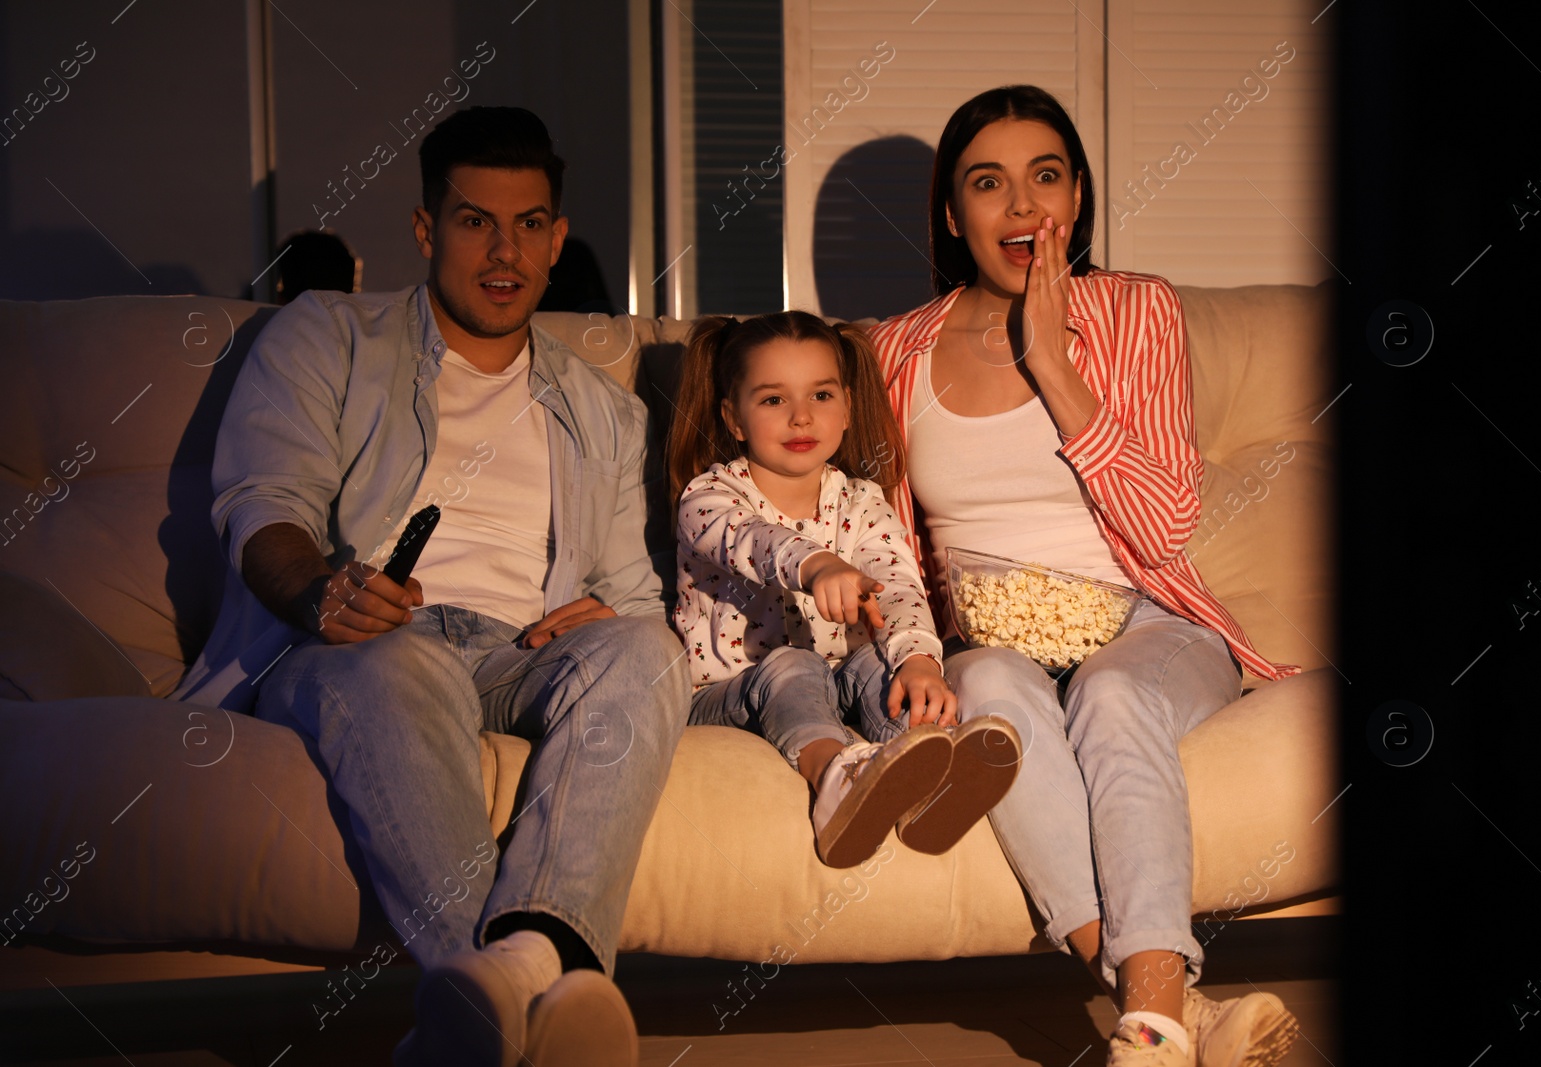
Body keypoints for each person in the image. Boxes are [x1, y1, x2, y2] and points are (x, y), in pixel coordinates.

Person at [173, 106, 686, 1067]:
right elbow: (263, 501)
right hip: (357, 640)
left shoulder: (604, 411)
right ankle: (515, 992)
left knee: (648, 652)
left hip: (518, 651)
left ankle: (508, 980)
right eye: (473, 220)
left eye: (529, 223)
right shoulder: (326, 334)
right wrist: (321, 590)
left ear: (556, 237)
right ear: (424, 229)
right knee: (392, 659)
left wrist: (607, 616)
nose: (505, 251)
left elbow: (637, 597)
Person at [861, 85, 1302, 1067]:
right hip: (993, 642)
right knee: (985, 691)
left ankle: (1144, 1028)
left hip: (1148, 625)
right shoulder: (892, 351)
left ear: (1077, 198)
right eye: (989, 182)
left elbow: (1167, 518)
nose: (1020, 208)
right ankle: (1169, 1011)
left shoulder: (1137, 310)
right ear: (950, 211)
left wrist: (1053, 366)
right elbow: (888, 549)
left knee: (1106, 693)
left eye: (1044, 177)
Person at [666, 312, 1022, 869]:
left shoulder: (860, 500)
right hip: (729, 692)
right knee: (792, 665)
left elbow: (899, 584)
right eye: (773, 400)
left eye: (821, 394)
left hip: (838, 675)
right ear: (733, 419)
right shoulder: (708, 496)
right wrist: (816, 564)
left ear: (849, 406)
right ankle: (839, 779)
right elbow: (750, 541)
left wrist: (921, 662)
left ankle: (927, 768)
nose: (802, 416)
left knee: (882, 671)